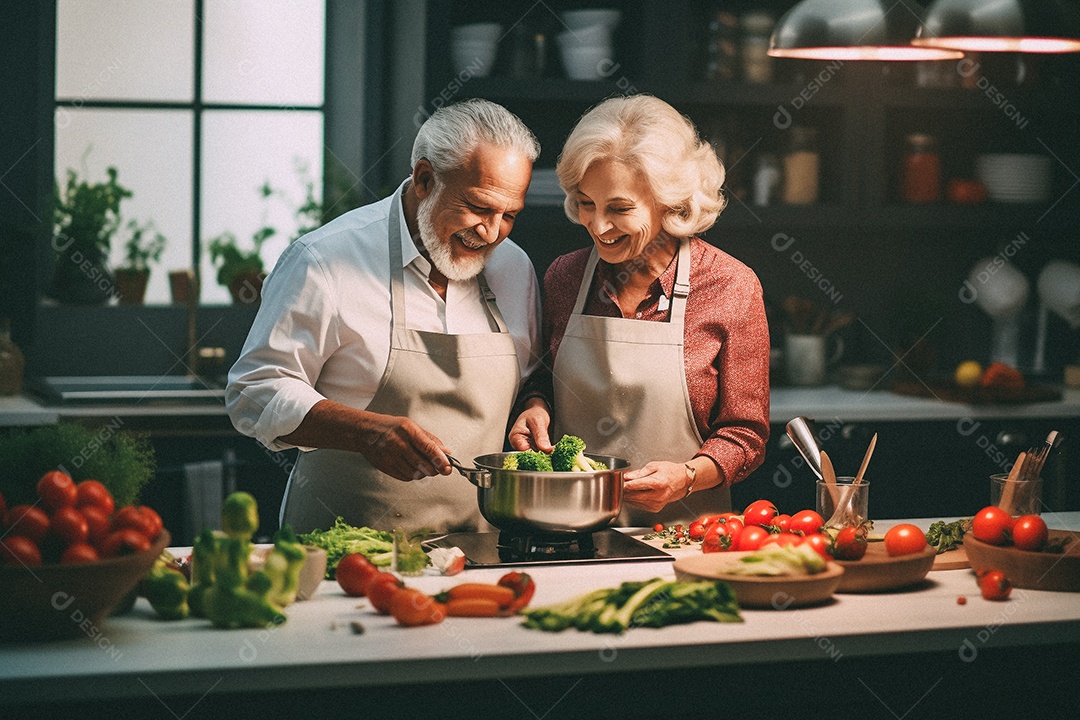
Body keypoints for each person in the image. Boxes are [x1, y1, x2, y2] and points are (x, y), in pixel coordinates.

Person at [226, 99, 542, 534]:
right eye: (478, 207)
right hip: (344, 551)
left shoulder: (514, 268)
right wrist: (363, 432)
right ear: (425, 179)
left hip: (475, 550)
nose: (491, 232)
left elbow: (529, 384)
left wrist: (533, 408)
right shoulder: (324, 260)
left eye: (509, 215)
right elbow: (254, 391)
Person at [509, 94, 770, 525]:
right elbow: (543, 378)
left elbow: (746, 436)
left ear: (670, 202)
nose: (598, 225)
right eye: (587, 203)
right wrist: (535, 407)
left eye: (620, 208)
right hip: (566, 528)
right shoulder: (565, 277)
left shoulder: (731, 286)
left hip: (681, 535)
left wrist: (685, 477)